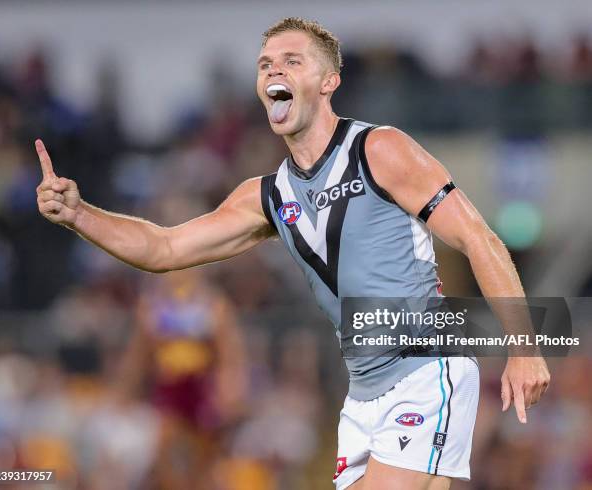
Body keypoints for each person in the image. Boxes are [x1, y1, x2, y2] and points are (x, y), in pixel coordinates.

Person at [35, 17, 550, 490]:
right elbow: (164, 247)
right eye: (265, 64)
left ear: (328, 83)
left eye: (291, 61)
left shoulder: (380, 150)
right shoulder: (266, 196)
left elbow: (479, 238)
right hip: (364, 395)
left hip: (423, 371)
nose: (273, 70)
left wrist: (524, 348)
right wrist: (82, 216)